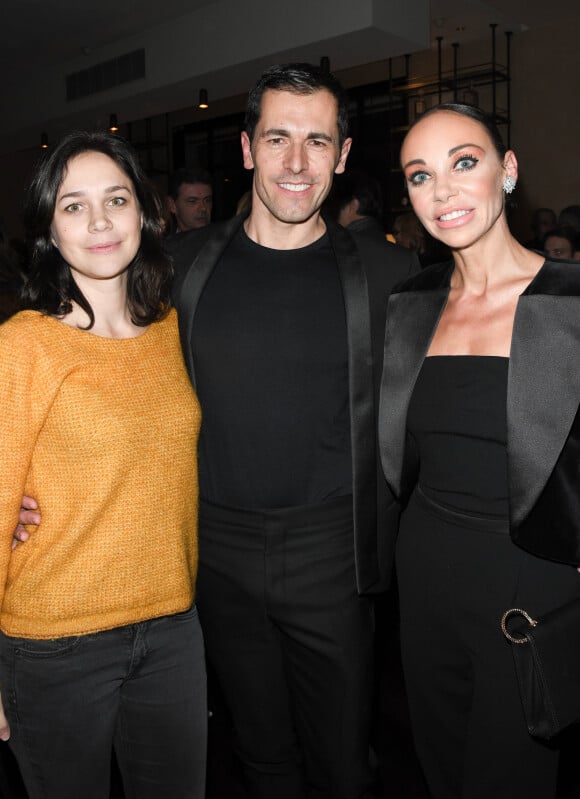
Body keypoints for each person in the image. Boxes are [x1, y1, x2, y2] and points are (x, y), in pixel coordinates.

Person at [166, 62, 417, 798]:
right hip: (215, 549)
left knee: (344, 761)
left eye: (317, 141)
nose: (297, 163)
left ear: (341, 156)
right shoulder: (180, 267)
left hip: (332, 552)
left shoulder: (388, 273)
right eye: (278, 138)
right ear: (247, 149)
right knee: (260, 752)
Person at [378, 103, 580, 798]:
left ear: (509, 170)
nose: (444, 191)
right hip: (427, 576)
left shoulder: (574, 301)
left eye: (464, 162)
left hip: (532, 587)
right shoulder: (410, 301)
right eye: (420, 175)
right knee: (441, 763)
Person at [0, 131, 206, 799]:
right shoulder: (23, 346)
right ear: (49, 230)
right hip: (56, 640)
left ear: (144, 214)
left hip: (173, 627)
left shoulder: (175, 330)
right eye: (72, 205)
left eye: (115, 199)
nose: (98, 222)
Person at [167, 167, 213, 232]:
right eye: (192, 201)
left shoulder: (226, 240)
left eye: (207, 200)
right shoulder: (165, 242)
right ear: (172, 205)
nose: (203, 208)